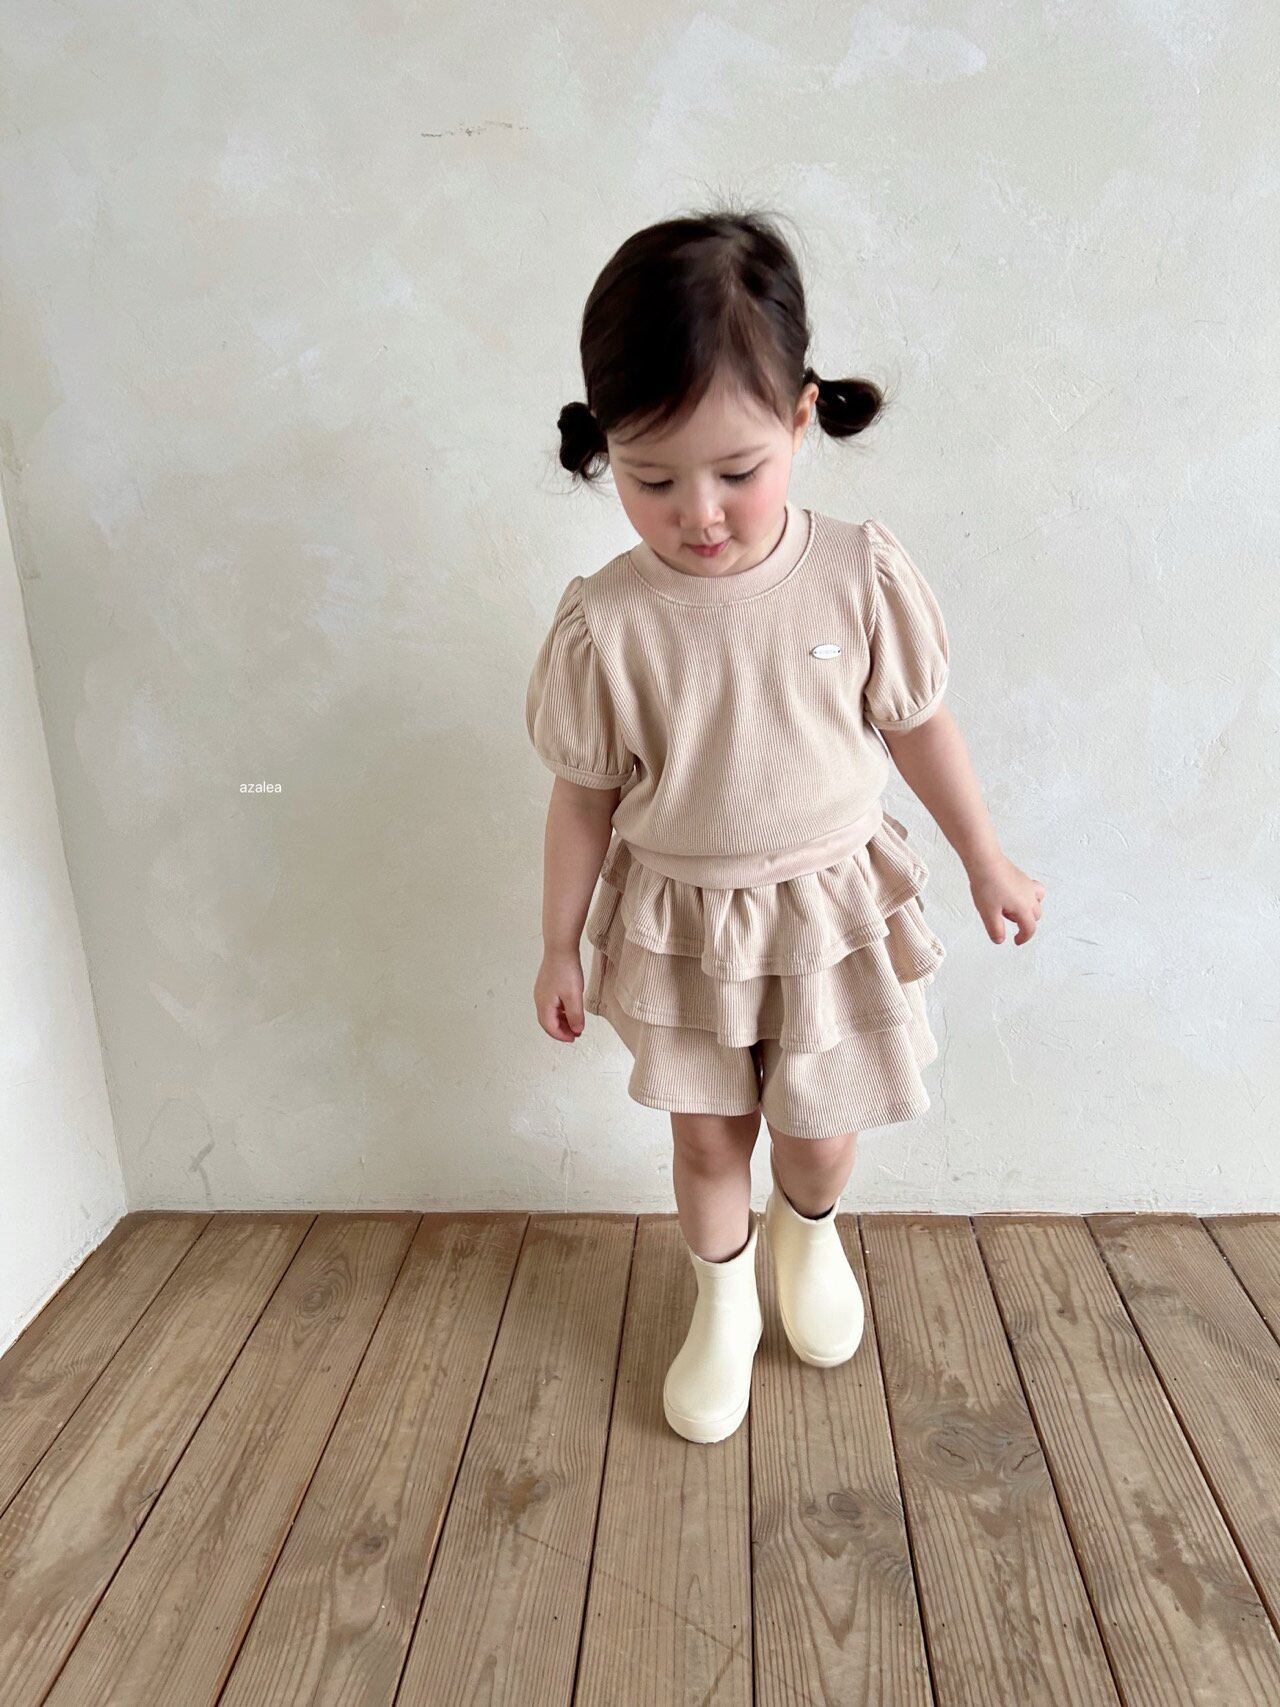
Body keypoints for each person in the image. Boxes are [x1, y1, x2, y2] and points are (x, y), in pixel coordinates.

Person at [525, 207, 1044, 1445]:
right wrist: (557, 943)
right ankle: (719, 1308)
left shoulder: (855, 574)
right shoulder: (607, 622)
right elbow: (582, 796)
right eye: (652, 479)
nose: (698, 513)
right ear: (606, 449)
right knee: (709, 1140)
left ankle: (805, 1238)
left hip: (827, 910)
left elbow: (917, 727)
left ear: (801, 420)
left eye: (736, 471)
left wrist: (983, 857)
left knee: (816, 1133)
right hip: (683, 923)